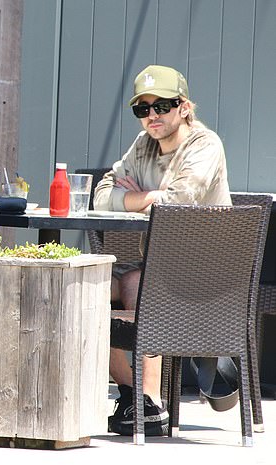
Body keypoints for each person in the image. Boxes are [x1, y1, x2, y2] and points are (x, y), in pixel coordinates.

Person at [94, 65, 231, 436]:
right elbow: (102, 194)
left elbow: (179, 201)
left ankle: (148, 401)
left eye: (162, 106)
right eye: (143, 109)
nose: (152, 116)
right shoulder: (144, 145)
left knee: (137, 281)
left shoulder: (204, 145)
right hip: (156, 264)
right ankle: (134, 396)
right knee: (90, 289)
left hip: (208, 278)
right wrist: (148, 197)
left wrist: (136, 197)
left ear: (184, 107)